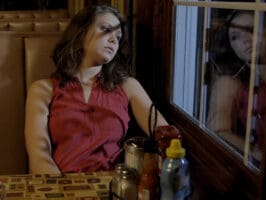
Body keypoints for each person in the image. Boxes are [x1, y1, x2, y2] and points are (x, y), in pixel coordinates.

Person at [25, 5, 168, 174]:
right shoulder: (43, 89)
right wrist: (60, 189)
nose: (114, 40)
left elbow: (165, 135)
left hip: (114, 187)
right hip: (61, 184)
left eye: (118, 36)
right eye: (107, 30)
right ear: (81, 32)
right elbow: (39, 155)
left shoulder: (128, 86)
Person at [206, 11, 266, 159]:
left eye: (252, 30)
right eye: (235, 37)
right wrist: (254, 153)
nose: (246, 40)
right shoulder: (230, 82)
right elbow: (217, 130)